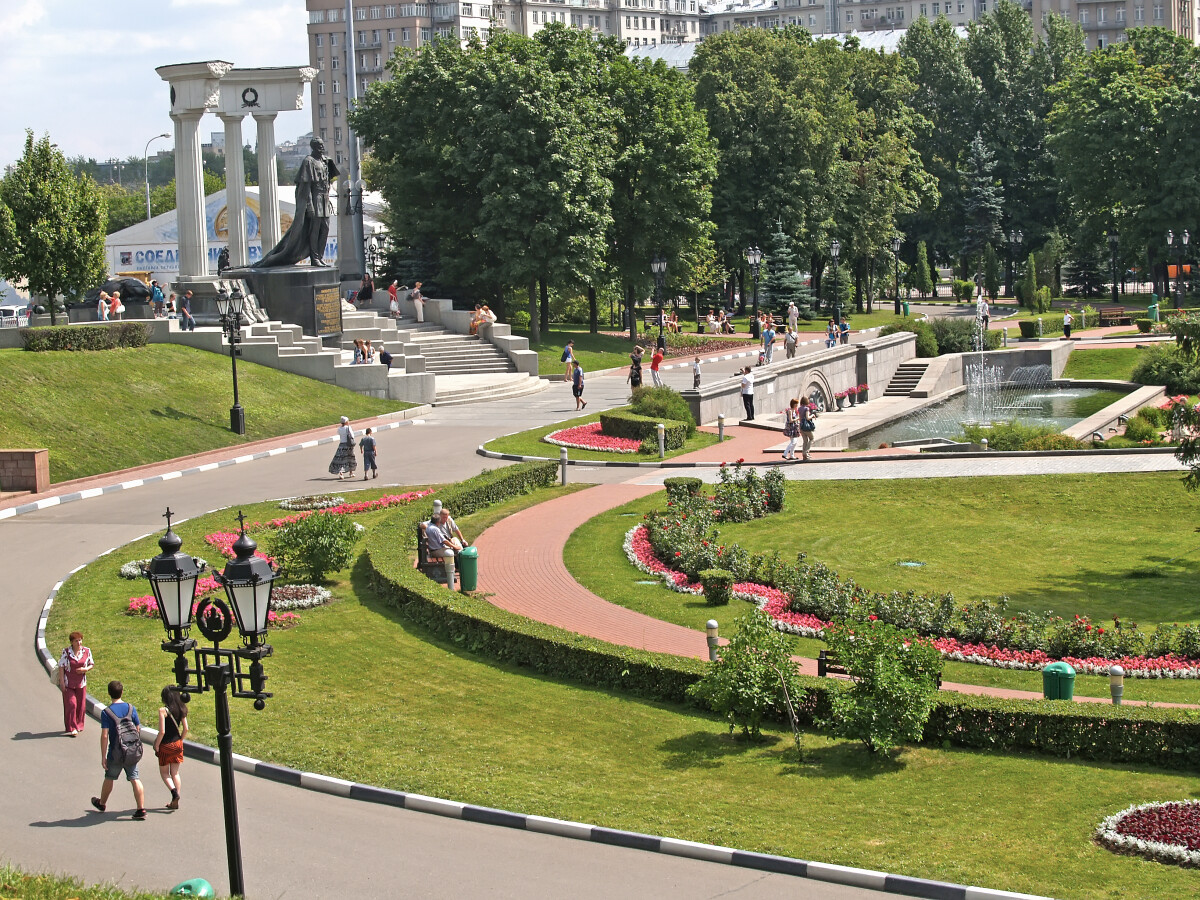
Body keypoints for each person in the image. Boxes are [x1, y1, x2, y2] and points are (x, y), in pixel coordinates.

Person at [256, 137, 339, 268]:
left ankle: (320, 256)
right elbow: (306, 187)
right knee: (314, 230)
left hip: (325, 199)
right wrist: (309, 206)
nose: (322, 148)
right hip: (315, 198)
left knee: (325, 228)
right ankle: (315, 258)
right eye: (319, 146)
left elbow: (328, 181)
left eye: (322, 145)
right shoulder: (309, 161)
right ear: (314, 147)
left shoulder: (325, 161)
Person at [91, 680, 146, 820]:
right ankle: (141, 808)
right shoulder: (130, 708)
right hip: (131, 751)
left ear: (109, 694)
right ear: (122, 692)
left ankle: (102, 803)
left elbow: (104, 735)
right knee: (135, 778)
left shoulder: (106, 713)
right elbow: (137, 728)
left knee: (109, 777)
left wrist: (103, 756)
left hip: (115, 752)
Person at [154, 686, 188, 810]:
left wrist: (157, 744)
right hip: (177, 744)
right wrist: (181, 740)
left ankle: (174, 793)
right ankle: (175, 799)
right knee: (175, 773)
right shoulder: (182, 708)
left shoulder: (163, 711)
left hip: (166, 745)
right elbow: (186, 728)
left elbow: (162, 731)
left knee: (164, 773)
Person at [59, 631, 94, 737]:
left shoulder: (87, 651)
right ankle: (72, 727)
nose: (79, 643)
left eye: (80, 640)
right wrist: (62, 682)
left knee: (81, 706)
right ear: (72, 642)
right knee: (72, 704)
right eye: (76, 641)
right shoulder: (66, 652)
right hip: (68, 683)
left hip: (81, 683)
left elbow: (91, 664)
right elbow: (61, 666)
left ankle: (79, 725)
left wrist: (85, 669)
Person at [425, 508, 461, 588]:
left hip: (433, 549)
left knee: (453, 549)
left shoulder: (429, 527)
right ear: (438, 522)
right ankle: (455, 569)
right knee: (455, 552)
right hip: (436, 551)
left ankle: (456, 567)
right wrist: (455, 546)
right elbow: (444, 541)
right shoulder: (435, 529)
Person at [799, 396, 817, 460]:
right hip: (806, 427)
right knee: (812, 438)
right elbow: (807, 418)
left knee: (805, 441)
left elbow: (800, 417)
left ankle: (804, 455)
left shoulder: (799, 408)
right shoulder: (806, 408)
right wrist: (812, 415)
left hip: (801, 426)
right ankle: (806, 452)